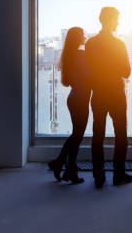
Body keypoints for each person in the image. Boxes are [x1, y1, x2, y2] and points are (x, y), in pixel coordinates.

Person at [85, 7, 132, 188]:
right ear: (110, 20)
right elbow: (127, 71)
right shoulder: (118, 44)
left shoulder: (90, 43)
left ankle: (99, 177)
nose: (118, 23)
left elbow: (87, 70)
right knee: (121, 135)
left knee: (98, 135)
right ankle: (118, 175)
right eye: (117, 19)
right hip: (115, 92)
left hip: (98, 92)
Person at [47, 27, 91, 184]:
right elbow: (89, 76)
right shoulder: (80, 55)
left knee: (76, 135)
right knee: (77, 136)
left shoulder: (69, 55)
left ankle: (66, 167)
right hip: (80, 100)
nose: (85, 37)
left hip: (74, 99)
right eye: (83, 35)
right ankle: (63, 165)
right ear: (78, 38)